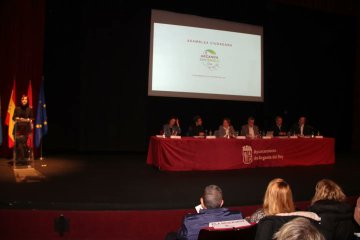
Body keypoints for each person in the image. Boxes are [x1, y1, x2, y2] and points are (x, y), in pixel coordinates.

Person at [171, 185, 243, 240]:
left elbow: (181, 236)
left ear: (201, 201)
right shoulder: (238, 216)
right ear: (222, 203)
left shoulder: (189, 221)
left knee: (170, 236)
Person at [13, 94, 34, 163]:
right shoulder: (17, 108)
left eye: (25, 99)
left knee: (21, 142)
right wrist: (17, 118)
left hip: (26, 130)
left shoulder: (30, 109)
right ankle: (23, 158)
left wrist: (28, 119)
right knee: (19, 142)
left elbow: (32, 118)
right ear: (21, 100)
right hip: (17, 129)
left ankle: (21, 158)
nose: (24, 101)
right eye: (23, 99)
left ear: (27, 101)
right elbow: (13, 118)